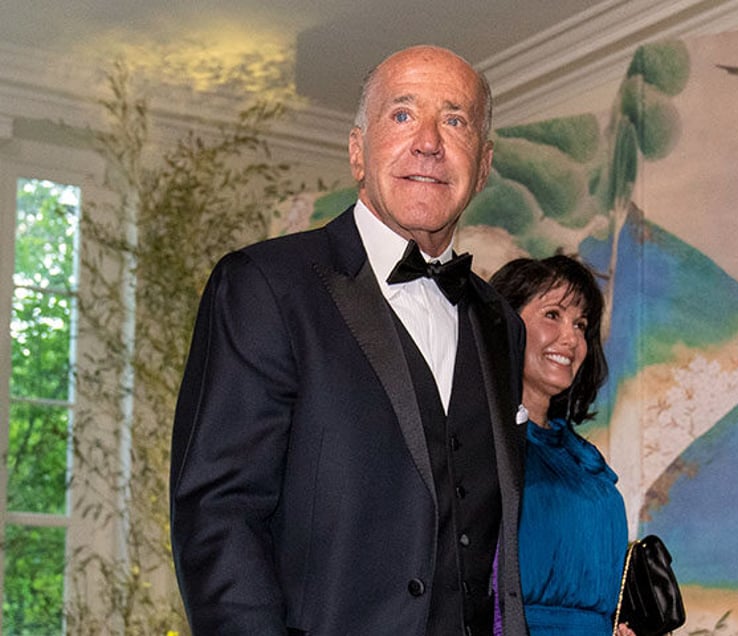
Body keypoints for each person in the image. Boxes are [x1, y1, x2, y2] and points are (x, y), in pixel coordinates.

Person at [170, 45, 529, 636]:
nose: (430, 142)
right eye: (403, 115)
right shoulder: (264, 286)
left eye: (456, 120)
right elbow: (218, 517)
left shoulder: (500, 323)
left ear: (483, 165)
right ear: (358, 152)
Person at [489, 255, 635, 636]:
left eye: (581, 325)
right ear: (505, 322)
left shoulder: (583, 460)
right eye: (553, 314)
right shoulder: (477, 445)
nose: (572, 338)